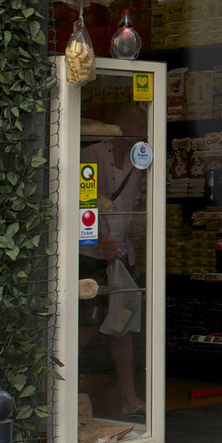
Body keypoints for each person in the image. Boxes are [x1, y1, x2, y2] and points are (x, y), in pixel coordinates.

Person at [79, 101, 148, 417]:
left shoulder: (137, 160)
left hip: (122, 253)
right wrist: (100, 241)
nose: (144, 132)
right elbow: (83, 203)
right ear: (121, 125)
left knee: (124, 325)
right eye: (139, 126)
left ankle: (128, 397)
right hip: (93, 254)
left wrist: (137, 227)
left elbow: (135, 203)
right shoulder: (91, 155)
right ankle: (57, 389)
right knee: (88, 323)